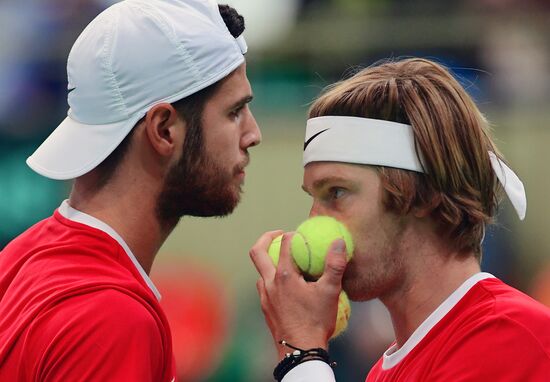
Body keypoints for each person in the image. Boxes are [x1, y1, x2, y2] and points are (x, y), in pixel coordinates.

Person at [0, 0, 260, 381]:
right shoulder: (112, 318)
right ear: (163, 129)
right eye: (234, 112)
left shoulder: (19, 259)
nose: (253, 134)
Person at [250, 58, 550, 381]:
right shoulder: (381, 373)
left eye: (336, 192)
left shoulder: (511, 337)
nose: (312, 222)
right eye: (313, 197)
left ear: (423, 194)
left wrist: (303, 354)